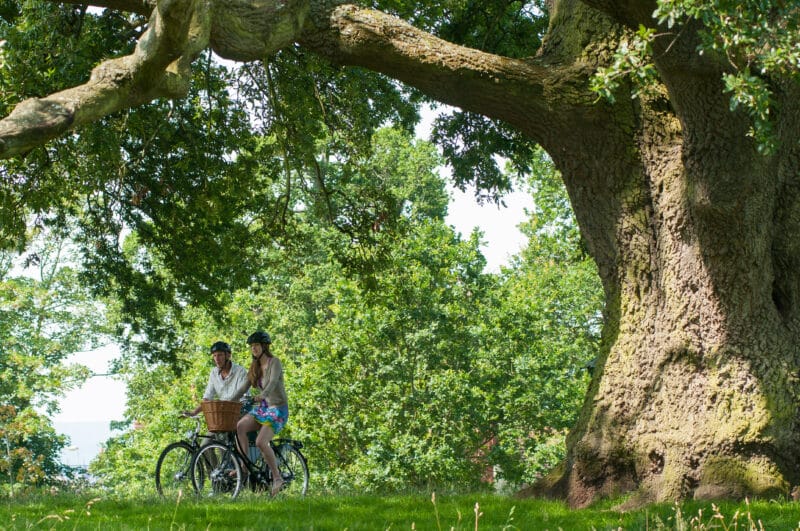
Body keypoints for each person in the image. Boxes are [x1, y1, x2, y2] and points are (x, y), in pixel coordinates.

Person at [234, 330, 288, 496]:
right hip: (263, 409)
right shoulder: (255, 367)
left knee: (260, 442)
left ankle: (277, 478)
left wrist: (262, 396)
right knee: (240, 426)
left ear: (264, 346)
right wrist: (229, 401)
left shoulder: (274, 362)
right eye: (252, 346)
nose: (254, 349)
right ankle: (244, 466)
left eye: (256, 345)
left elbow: (271, 384)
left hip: (278, 409)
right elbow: (243, 387)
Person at [183, 341, 249, 418]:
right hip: (224, 413)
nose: (217, 359)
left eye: (220, 355)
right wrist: (194, 412)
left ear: (228, 355)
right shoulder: (214, 372)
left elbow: (241, 397)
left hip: (241, 411)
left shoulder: (240, 371)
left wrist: (222, 408)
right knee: (212, 429)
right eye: (214, 356)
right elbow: (207, 397)